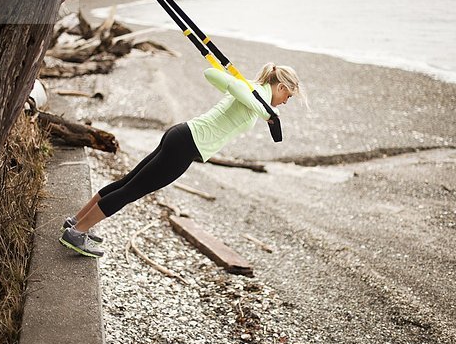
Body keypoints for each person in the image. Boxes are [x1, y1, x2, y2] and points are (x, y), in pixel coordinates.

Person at [59, 62, 304, 257]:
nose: (285, 101)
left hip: (182, 137)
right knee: (131, 190)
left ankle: (76, 221)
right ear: (280, 86)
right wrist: (263, 110)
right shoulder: (251, 91)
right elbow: (211, 73)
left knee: (127, 182)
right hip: (186, 144)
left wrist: (267, 111)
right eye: (288, 96)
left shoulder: (256, 95)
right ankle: (77, 233)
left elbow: (268, 112)